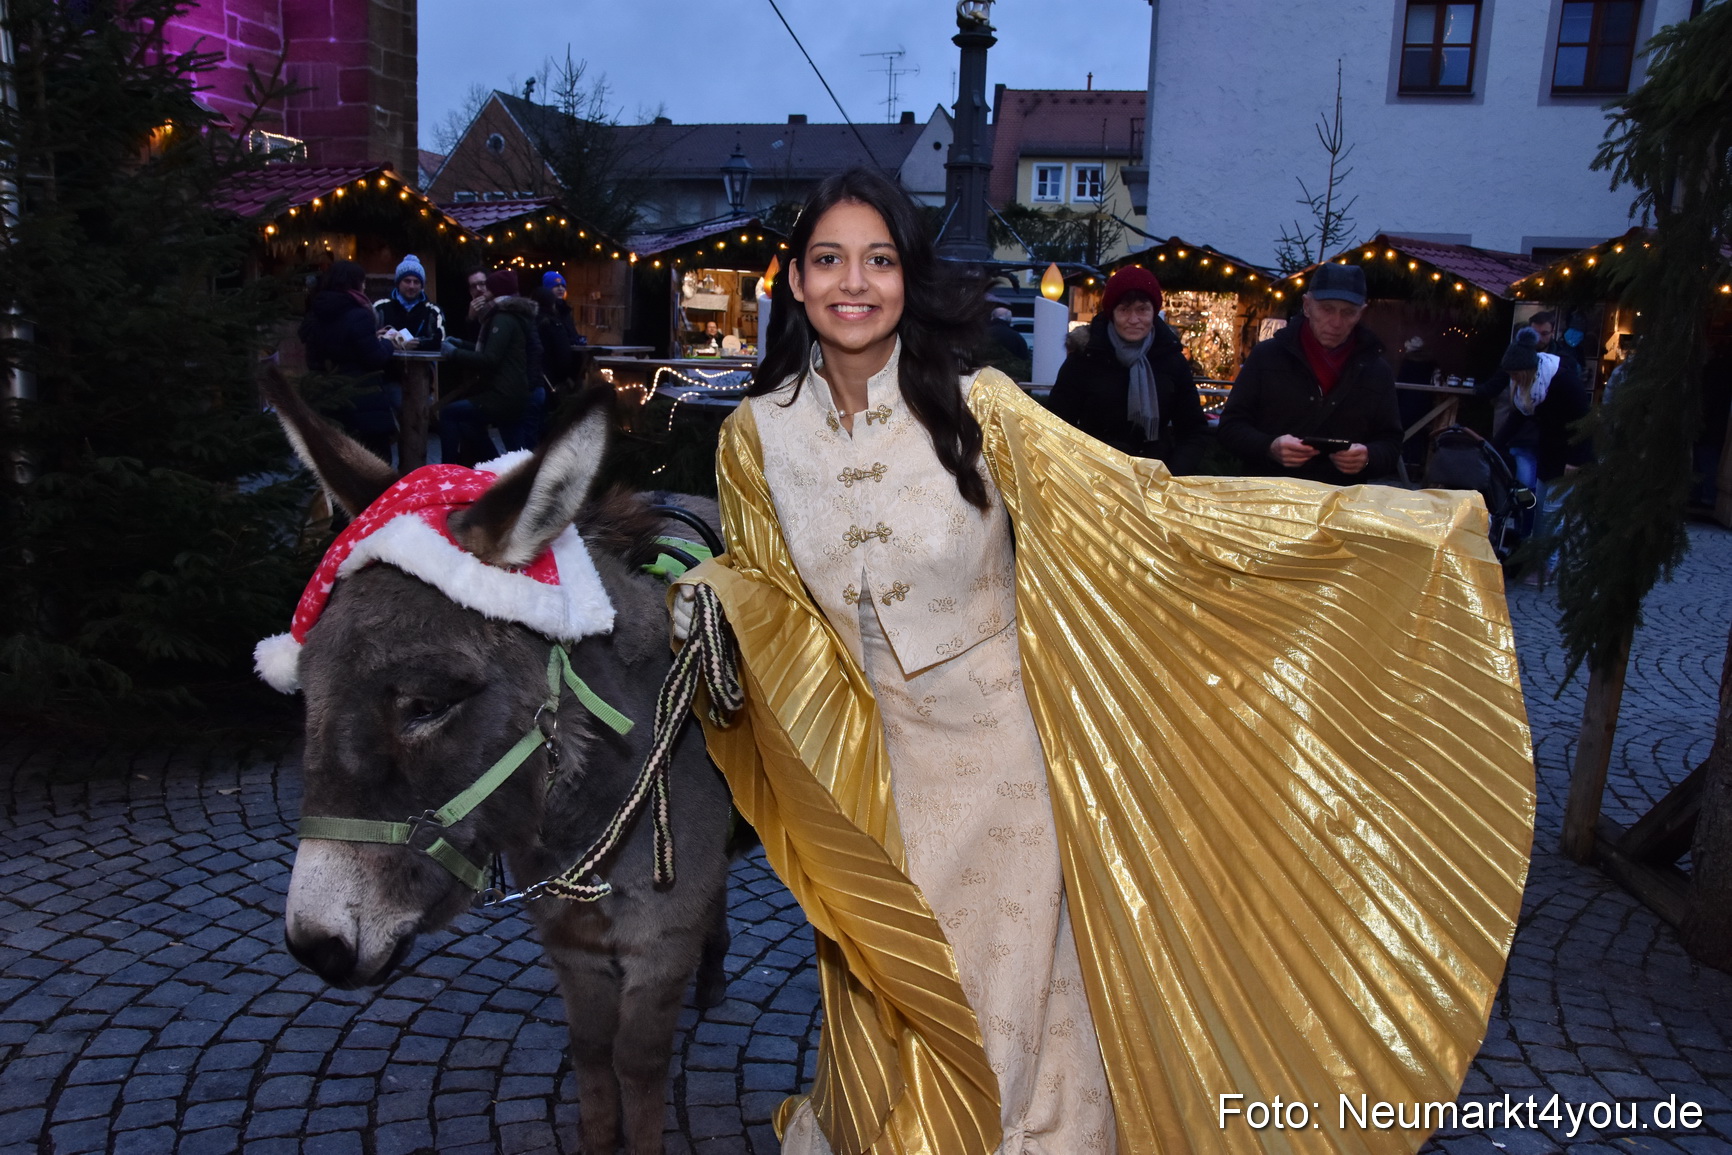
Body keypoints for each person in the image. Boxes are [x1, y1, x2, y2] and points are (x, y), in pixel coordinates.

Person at [669, 168, 1533, 1155]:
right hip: (870, 776)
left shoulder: (982, 409)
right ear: (792, 278)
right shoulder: (754, 439)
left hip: (1004, 763)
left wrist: (1379, 529)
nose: (852, 282)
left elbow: (1143, 513)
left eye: (879, 258)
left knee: (1013, 1003)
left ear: (908, 277)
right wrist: (708, 593)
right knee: (889, 987)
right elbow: (771, 589)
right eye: (829, 259)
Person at [1218, 262, 1404, 485]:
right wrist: (1269, 447)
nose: (1336, 322)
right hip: (1269, 497)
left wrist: (1368, 457)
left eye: (1348, 313)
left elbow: (1391, 444)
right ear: (1307, 306)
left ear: (1361, 313)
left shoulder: (1376, 370)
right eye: (1327, 309)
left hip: (1340, 503)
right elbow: (1230, 427)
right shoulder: (1267, 357)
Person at [1047, 266, 1208, 472]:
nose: (1133, 319)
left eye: (1142, 309)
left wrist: (1172, 475)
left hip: (1155, 480)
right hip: (1096, 478)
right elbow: (1056, 424)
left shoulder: (1171, 359)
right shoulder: (1086, 357)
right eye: (1124, 309)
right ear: (1112, 313)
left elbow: (1193, 429)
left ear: (1154, 311)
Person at [1475, 326, 1591, 579]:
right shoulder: (1531, 388)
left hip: (1570, 454)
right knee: (1540, 508)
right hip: (1549, 450)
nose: (1513, 380)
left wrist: (1575, 460)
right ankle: (1538, 560)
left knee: (1552, 510)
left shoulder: (1562, 381)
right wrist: (1493, 446)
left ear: (1527, 370)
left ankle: (1548, 564)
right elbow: (1517, 418)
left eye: (1516, 375)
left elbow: (1585, 421)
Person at [297, 259, 398, 461]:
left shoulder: (317, 312)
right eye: (363, 281)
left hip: (328, 399)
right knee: (376, 464)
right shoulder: (358, 314)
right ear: (355, 283)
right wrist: (388, 343)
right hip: (362, 400)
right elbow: (375, 358)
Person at [439, 269, 540, 464]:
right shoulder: (514, 314)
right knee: (518, 454)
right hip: (514, 392)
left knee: (449, 413)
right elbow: (493, 349)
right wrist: (460, 343)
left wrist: (454, 353)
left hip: (502, 394)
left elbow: (490, 358)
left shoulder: (503, 317)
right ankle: (508, 477)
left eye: (488, 287)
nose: (483, 291)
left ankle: (448, 470)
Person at [372, 254, 446, 350]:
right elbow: (364, 338)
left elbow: (442, 342)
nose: (412, 286)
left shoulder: (432, 311)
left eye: (416, 282)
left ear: (422, 286)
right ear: (398, 283)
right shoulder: (380, 307)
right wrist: (377, 338)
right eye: (407, 281)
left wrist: (419, 344)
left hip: (421, 364)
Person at [534, 271, 582, 396]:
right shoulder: (546, 316)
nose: (560, 289)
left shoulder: (565, 311)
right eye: (556, 286)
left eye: (563, 286)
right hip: (552, 369)